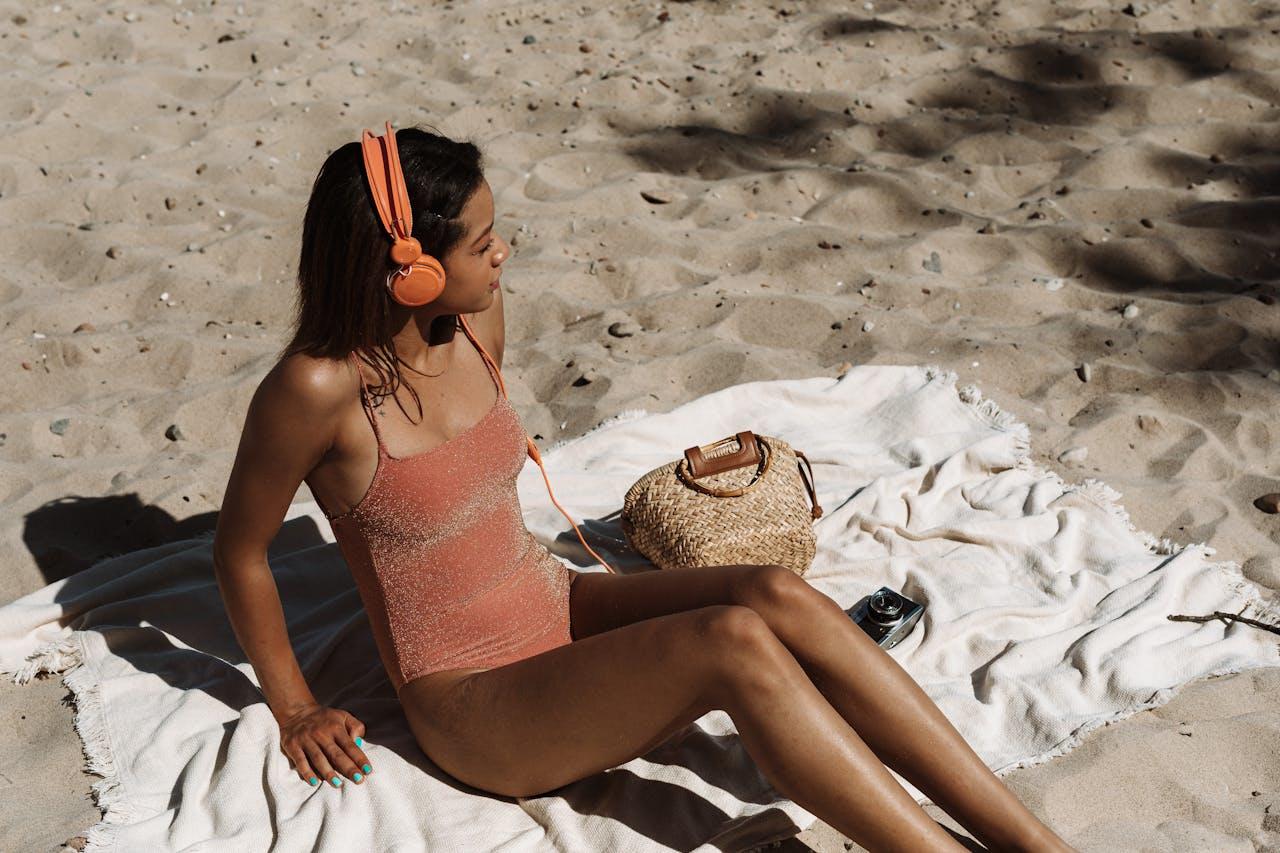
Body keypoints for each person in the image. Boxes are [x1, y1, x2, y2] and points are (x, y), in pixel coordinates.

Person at [211, 123, 1075, 853]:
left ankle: (1039, 847)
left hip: (557, 606)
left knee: (772, 591)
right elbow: (241, 552)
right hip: (473, 703)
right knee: (731, 642)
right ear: (411, 270)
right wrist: (293, 708)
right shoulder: (316, 390)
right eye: (479, 243)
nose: (502, 250)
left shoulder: (474, 319)